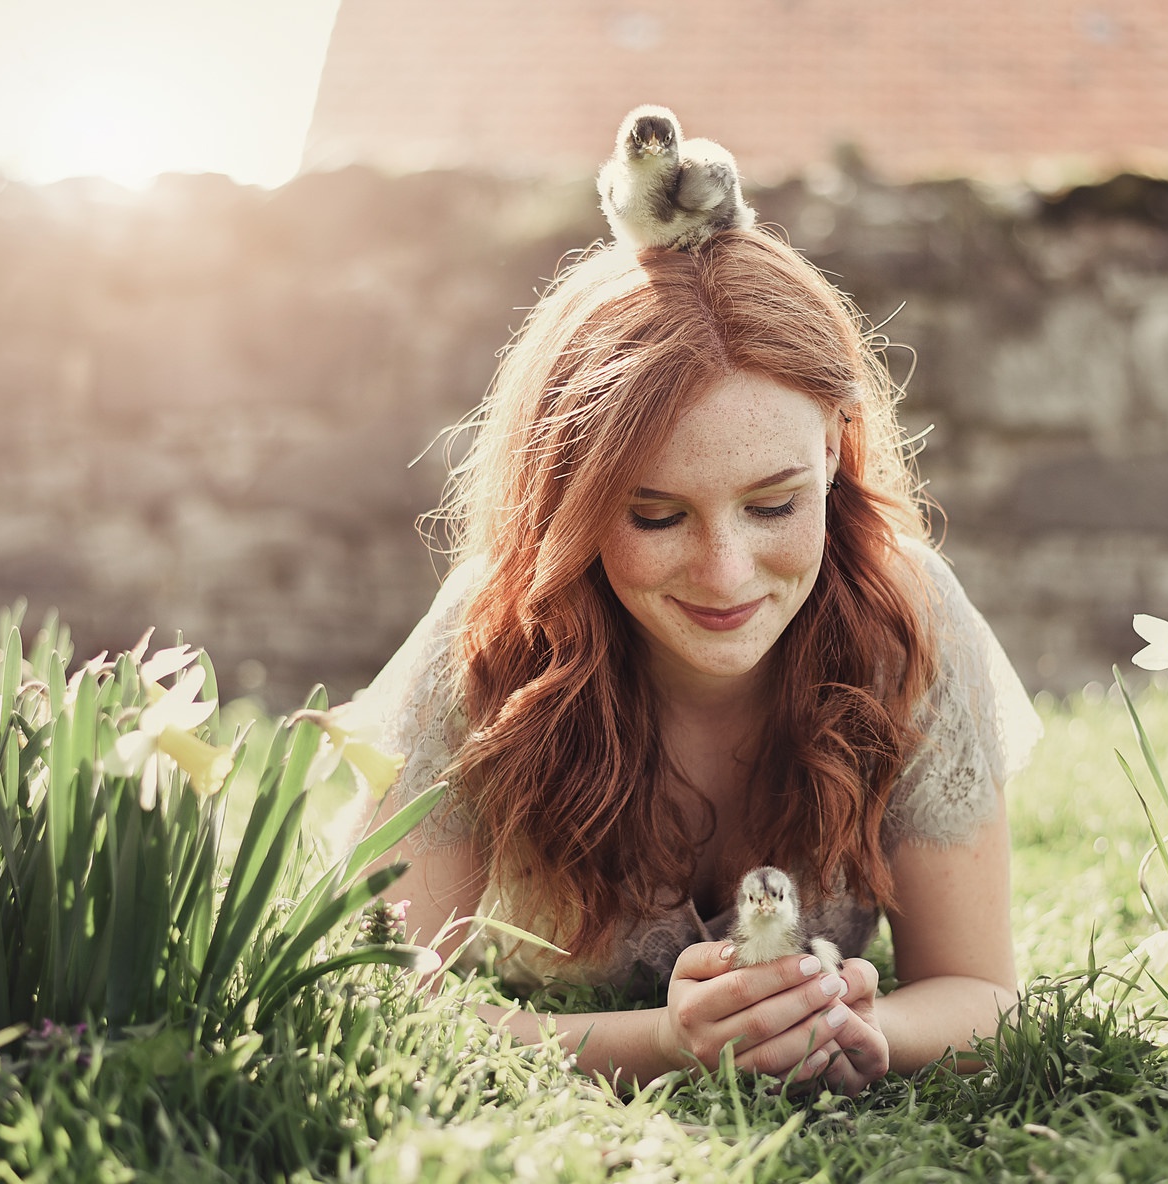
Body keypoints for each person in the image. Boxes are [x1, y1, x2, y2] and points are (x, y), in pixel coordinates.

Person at [345, 114, 1041, 1094]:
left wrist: (851, 1022)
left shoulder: (904, 620)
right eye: (656, 513)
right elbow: (370, 996)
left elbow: (978, 986)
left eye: (772, 504)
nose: (724, 575)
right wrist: (669, 1041)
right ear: (568, 495)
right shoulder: (496, 634)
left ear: (838, 445)